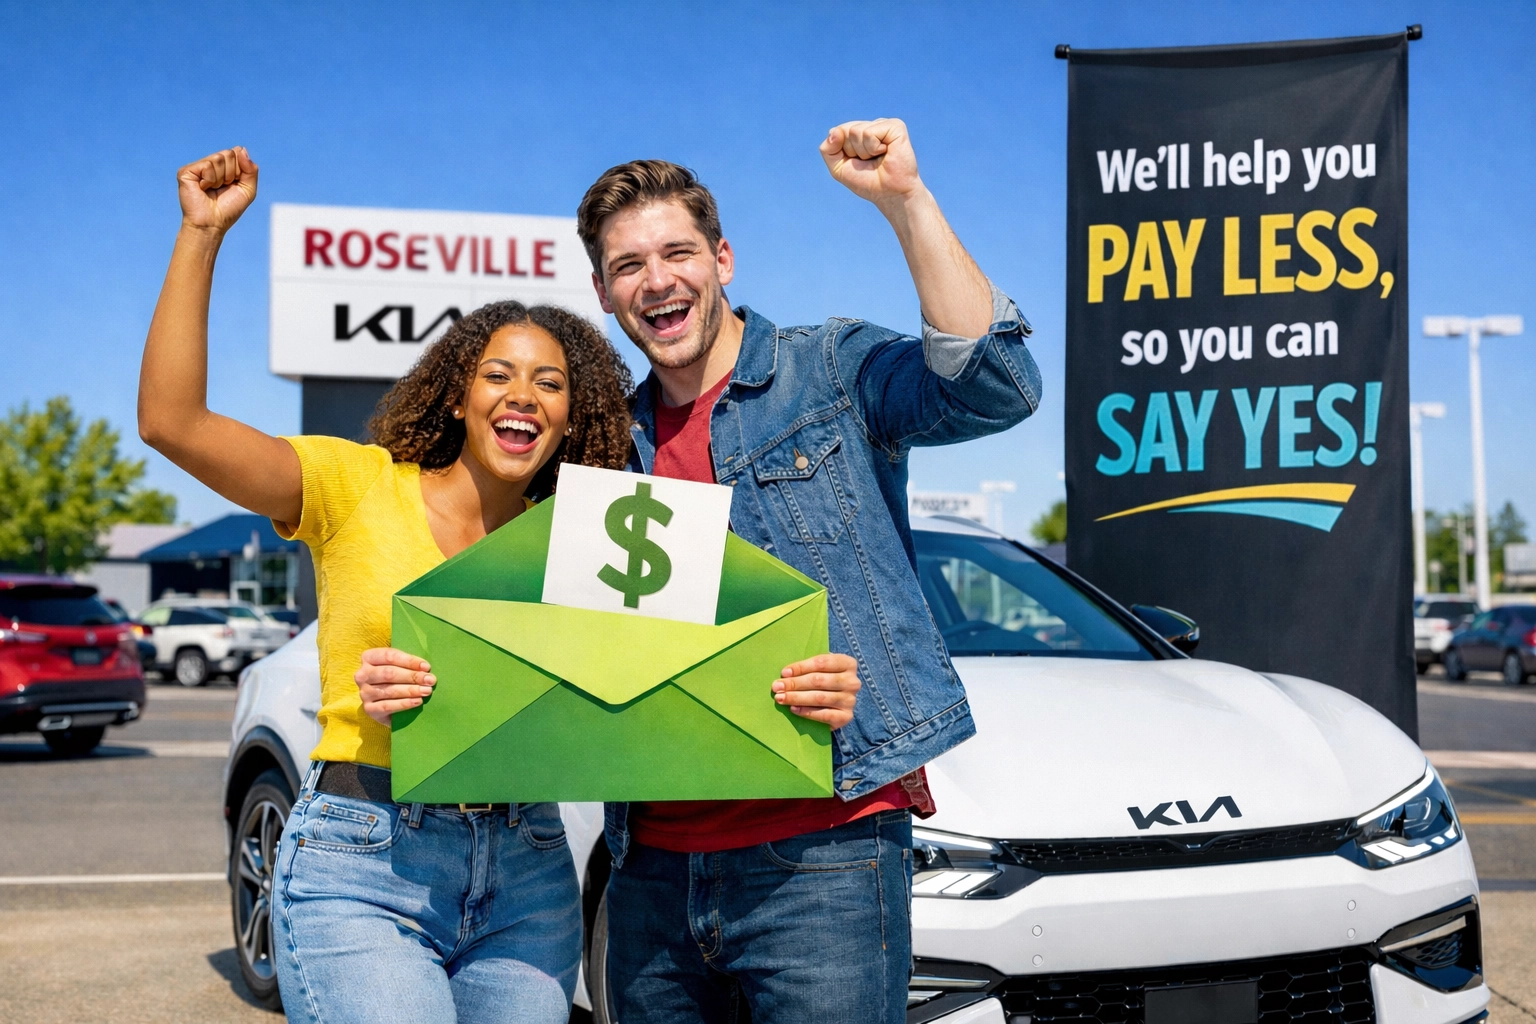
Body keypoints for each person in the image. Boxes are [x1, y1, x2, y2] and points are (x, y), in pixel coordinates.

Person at [138, 147, 637, 1023]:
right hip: (364, 856)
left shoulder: (585, 542)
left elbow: (631, 686)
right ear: (456, 397)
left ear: (572, 415)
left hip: (530, 871)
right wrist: (201, 235)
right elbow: (171, 423)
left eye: (550, 383)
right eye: (498, 374)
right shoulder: (353, 485)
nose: (523, 395)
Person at [576, 119, 1042, 1023]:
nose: (657, 279)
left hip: (824, 861)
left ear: (722, 258)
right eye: (628, 266)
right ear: (603, 291)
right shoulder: (605, 446)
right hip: (649, 877)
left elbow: (996, 385)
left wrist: (905, 200)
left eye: (678, 252)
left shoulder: (824, 372)